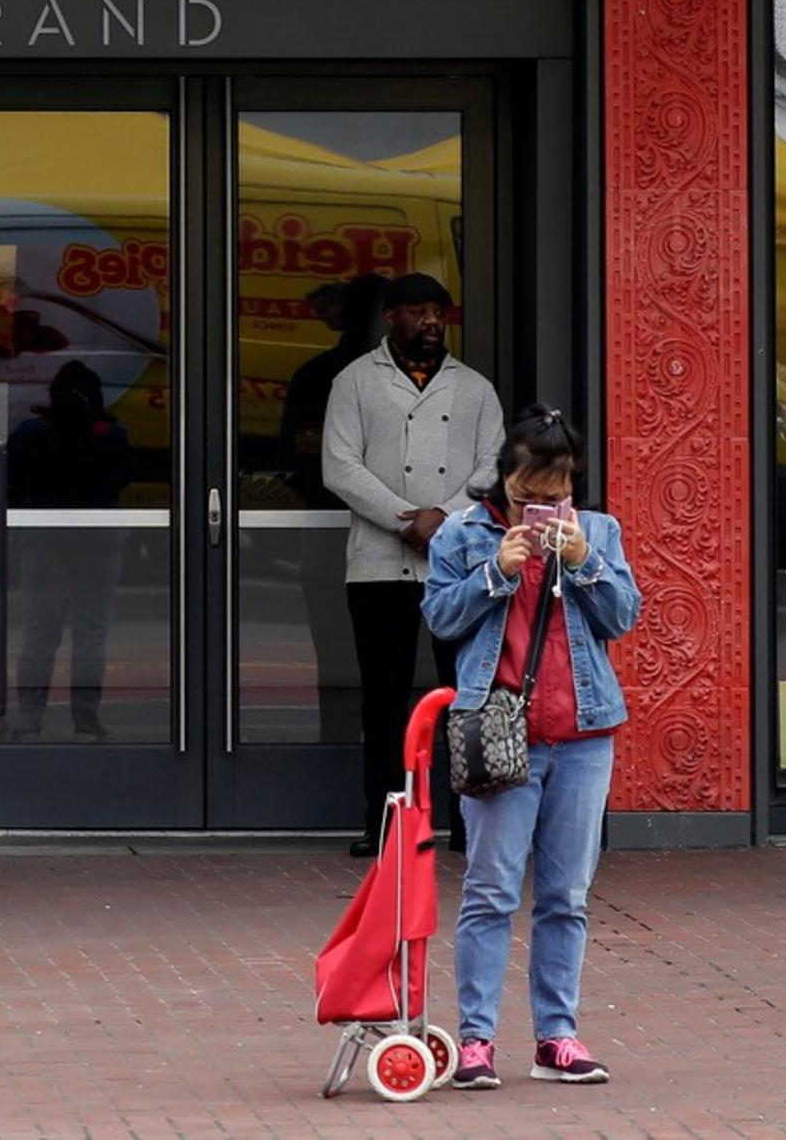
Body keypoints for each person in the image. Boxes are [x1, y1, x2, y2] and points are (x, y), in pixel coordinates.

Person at [423, 407, 641, 1090]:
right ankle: (477, 1040)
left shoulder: (598, 530)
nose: (543, 507)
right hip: (499, 728)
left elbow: (624, 614)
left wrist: (582, 560)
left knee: (566, 894)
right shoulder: (464, 533)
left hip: (583, 734)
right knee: (489, 889)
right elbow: (438, 617)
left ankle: (558, 1037)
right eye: (529, 495)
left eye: (556, 494)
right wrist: (495, 569)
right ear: (504, 481)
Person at [317, 272, 507, 854]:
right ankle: (384, 823)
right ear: (391, 318)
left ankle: (470, 821)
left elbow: (493, 469)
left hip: (461, 569)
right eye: (419, 312)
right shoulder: (353, 382)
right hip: (378, 564)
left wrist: (443, 519)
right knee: (384, 697)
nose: (431, 322)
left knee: (464, 691)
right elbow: (339, 466)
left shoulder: (474, 389)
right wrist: (407, 517)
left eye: (439, 313)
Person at [3, 359, 137, 740]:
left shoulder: (32, 433)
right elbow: (123, 477)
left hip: (44, 541)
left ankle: (29, 719)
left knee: (39, 633)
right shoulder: (111, 435)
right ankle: (86, 719)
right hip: (99, 542)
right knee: (91, 633)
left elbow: (13, 484)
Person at [278, 279, 381, 747]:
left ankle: (347, 743)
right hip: (333, 533)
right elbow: (300, 462)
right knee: (351, 651)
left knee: (357, 652)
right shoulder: (321, 376)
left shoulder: (315, 372)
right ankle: (346, 747)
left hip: (347, 535)